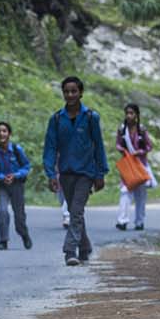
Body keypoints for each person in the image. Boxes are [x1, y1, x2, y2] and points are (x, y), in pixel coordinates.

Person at [44, 76, 106, 265]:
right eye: (66, 91)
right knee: (74, 211)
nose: (70, 95)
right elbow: (50, 147)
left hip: (86, 173)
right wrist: (50, 174)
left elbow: (99, 146)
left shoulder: (91, 117)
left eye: (74, 91)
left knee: (76, 212)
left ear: (81, 93)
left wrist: (100, 173)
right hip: (66, 173)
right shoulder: (56, 119)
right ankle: (85, 246)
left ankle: (69, 251)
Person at [0, 121, 34, 251]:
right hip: (3, 186)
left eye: (4, 131)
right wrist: (2, 177)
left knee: (19, 214)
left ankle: (24, 234)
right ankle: (3, 240)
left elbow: (26, 166)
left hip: (17, 185)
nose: (1, 134)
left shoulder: (16, 149)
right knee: (3, 212)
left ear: (9, 134)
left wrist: (15, 175)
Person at [114, 104, 155, 231]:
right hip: (128, 165)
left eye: (131, 113)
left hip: (140, 165)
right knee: (125, 191)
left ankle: (139, 221)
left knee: (141, 195)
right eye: (127, 113)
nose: (129, 116)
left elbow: (149, 146)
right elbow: (118, 144)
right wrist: (123, 150)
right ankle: (122, 221)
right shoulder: (122, 130)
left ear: (136, 115)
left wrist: (140, 152)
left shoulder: (141, 130)